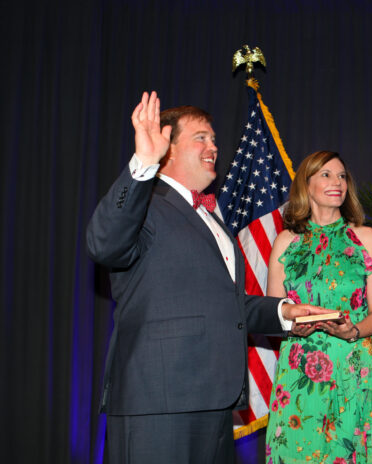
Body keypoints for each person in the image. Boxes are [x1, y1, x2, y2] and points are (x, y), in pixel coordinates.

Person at [86, 91, 328, 463]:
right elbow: (104, 243)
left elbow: (227, 306)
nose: (213, 145)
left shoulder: (214, 220)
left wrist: (283, 313)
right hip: (158, 403)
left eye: (214, 138)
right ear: (166, 147)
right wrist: (142, 164)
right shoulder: (146, 204)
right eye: (201, 137)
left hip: (215, 405)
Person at [264, 151, 372, 463]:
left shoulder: (366, 238)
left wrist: (354, 331)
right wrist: (291, 327)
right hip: (299, 369)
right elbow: (272, 313)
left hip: (355, 366)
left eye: (342, 176)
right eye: (326, 174)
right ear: (306, 184)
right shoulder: (285, 242)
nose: (337, 182)